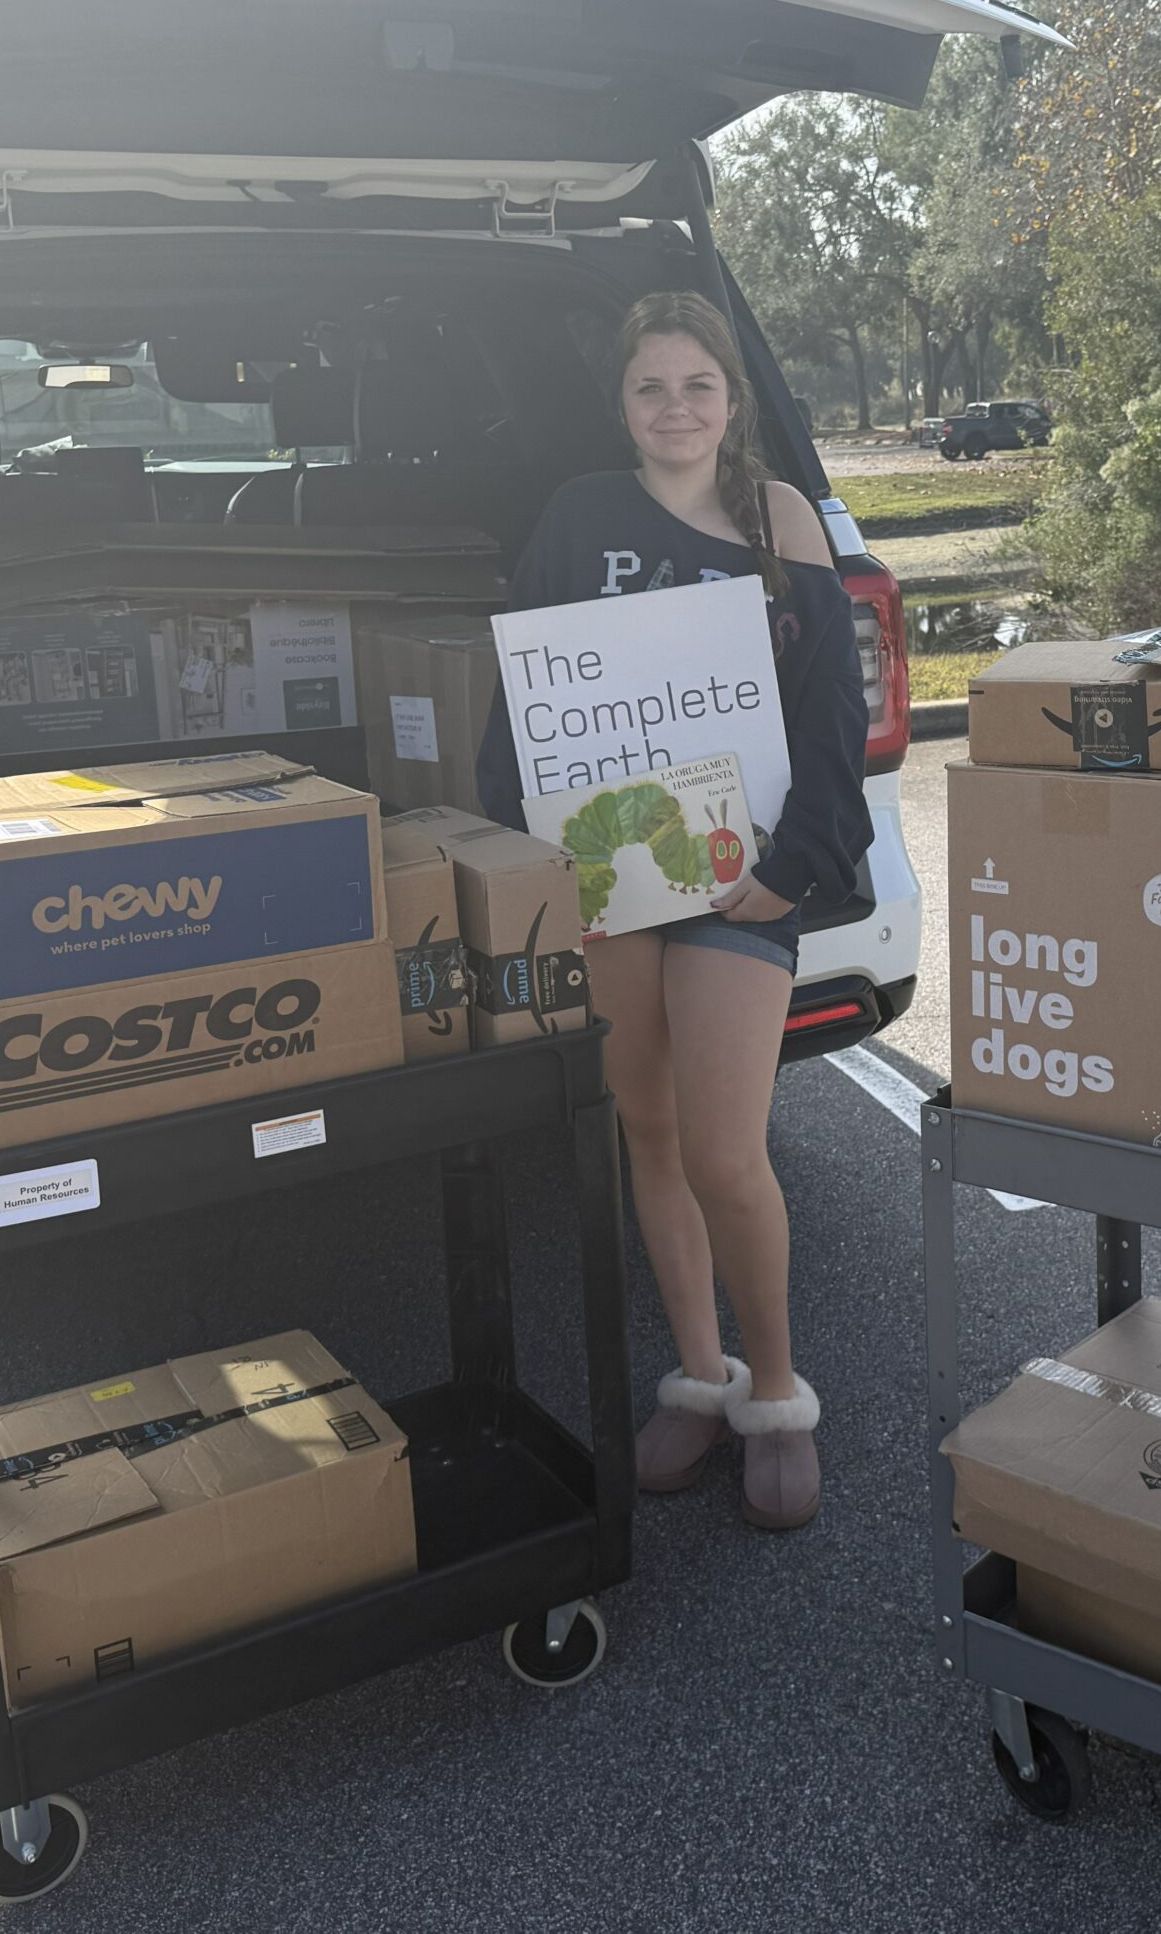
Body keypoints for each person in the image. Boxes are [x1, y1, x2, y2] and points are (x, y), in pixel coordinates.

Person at [477, 291, 872, 1530]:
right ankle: (699, 1378)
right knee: (644, 1130)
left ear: (731, 400)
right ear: (624, 405)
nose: (676, 408)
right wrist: (531, 853)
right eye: (651, 387)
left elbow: (829, 718)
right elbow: (529, 694)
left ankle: (778, 1385)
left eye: (697, 385)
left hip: (740, 874)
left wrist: (795, 865)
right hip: (611, 875)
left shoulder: (782, 519)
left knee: (722, 1147)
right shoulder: (579, 516)